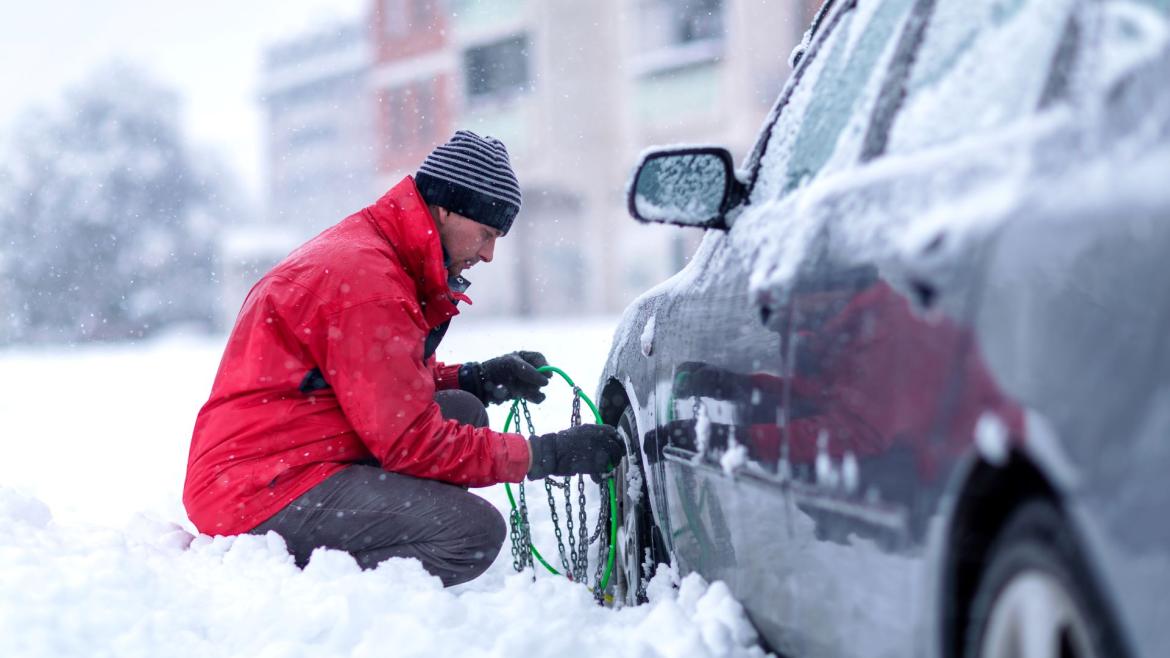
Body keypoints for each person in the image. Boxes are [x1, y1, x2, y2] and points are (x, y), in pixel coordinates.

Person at [183, 130, 625, 586]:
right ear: (447, 207)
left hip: (284, 452)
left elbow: (373, 378)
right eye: (486, 233)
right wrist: (544, 455)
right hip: (257, 488)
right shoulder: (368, 284)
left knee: (463, 409)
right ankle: (293, 583)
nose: (489, 254)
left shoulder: (376, 252)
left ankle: (355, 539)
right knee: (471, 535)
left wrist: (474, 379)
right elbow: (412, 442)